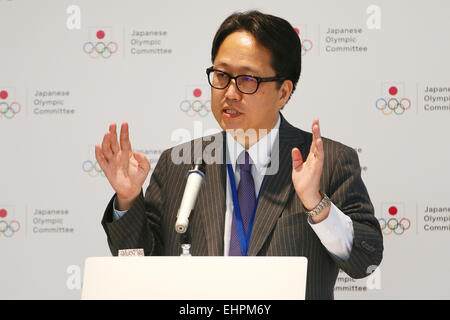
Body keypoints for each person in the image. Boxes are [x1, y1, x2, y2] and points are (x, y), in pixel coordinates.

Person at [95, 10, 383, 299]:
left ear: (283, 92)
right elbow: (139, 267)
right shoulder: (177, 164)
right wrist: (129, 200)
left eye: (246, 80)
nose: (229, 93)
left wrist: (317, 204)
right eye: (221, 75)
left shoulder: (326, 161)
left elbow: (366, 262)